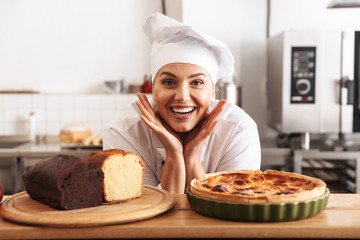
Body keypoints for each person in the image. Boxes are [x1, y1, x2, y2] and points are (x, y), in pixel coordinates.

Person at [103, 12, 261, 194]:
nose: (182, 96)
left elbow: (233, 208)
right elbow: (138, 208)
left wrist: (192, 157)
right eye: (169, 82)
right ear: (153, 91)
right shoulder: (125, 130)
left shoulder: (238, 129)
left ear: (212, 93)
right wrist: (174, 155)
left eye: (197, 83)